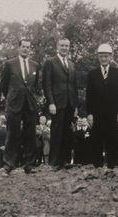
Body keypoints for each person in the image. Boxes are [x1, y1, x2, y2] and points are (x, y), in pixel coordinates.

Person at [0, 38, 40, 175]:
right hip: (14, 104)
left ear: (30, 49)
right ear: (18, 48)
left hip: (30, 104)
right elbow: (3, 86)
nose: (25, 49)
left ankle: (28, 165)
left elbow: (35, 86)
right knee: (12, 135)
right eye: (23, 46)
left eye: (28, 47)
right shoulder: (10, 64)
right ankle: (8, 166)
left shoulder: (35, 65)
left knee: (30, 135)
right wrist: (12, 97)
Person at [86, 44, 118, 169]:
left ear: (110, 57)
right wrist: (89, 114)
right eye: (101, 56)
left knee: (112, 139)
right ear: (98, 57)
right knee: (97, 139)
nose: (103, 59)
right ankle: (97, 165)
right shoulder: (92, 74)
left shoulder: (117, 73)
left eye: (106, 56)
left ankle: (112, 166)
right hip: (97, 114)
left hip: (112, 113)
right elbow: (89, 95)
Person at [42, 38, 78, 171]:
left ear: (69, 47)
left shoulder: (71, 64)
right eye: (62, 45)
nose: (64, 48)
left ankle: (64, 160)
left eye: (67, 46)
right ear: (57, 46)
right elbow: (47, 84)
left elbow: (74, 86)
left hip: (69, 103)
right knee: (56, 131)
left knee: (67, 132)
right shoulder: (50, 62)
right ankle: (54, 162)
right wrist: (51, 102)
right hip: (57, 103)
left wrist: (75, 106)